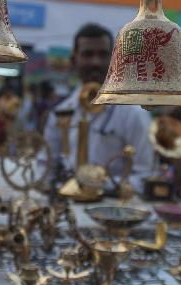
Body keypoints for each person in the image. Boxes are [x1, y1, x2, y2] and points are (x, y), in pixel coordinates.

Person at [42, 23, 154, 186]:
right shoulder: (60, 112)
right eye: (87, 54)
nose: (95, 62)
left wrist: (97, 186)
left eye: (103, 55)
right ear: (74, 61)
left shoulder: (134, 113)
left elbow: (145, 175)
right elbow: (44, 168)